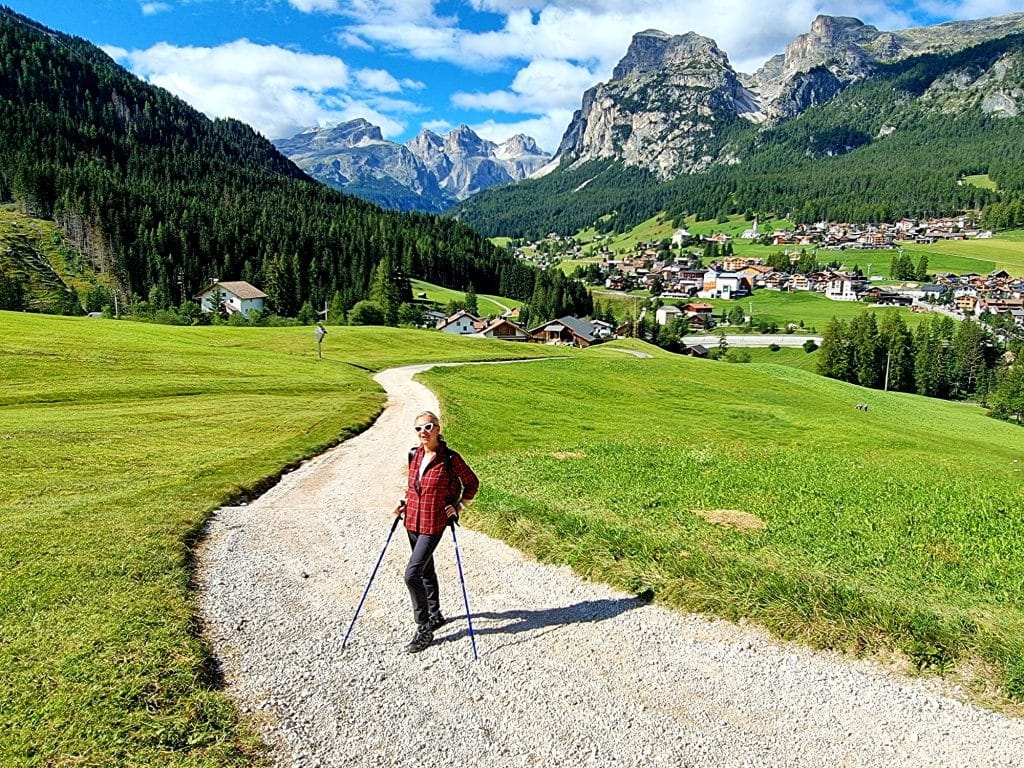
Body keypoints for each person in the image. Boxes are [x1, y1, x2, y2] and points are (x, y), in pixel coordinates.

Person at [394, 410, 479, 653]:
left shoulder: (450, 459)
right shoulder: (414, 455)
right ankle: (435, 614)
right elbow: (414, 486)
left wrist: (459, 505)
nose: (423, 432)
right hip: (412, 521)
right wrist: (405, 502)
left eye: (429, 427)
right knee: (425, 569)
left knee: (411, 574)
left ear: (438, 429)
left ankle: (423, 628)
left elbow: (472, 483)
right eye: (419, 428)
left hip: (434, 523)